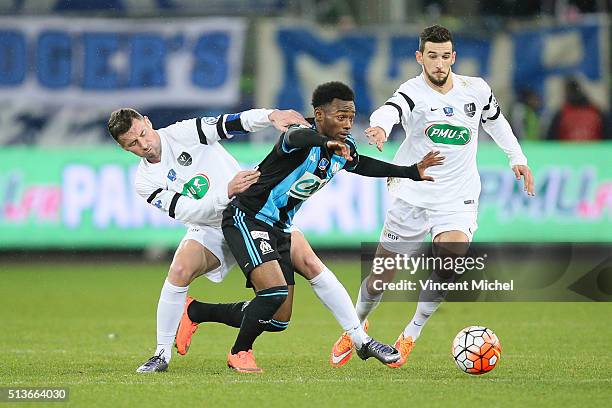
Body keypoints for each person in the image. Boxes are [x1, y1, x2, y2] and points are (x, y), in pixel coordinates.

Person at [107, 107, 399, 374]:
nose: (143, 145)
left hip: (253, 212)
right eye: (132, 144)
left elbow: (233, 122)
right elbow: (186, 210)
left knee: (282, 312)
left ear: (148, 122)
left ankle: (197, 311)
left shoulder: (183, 133)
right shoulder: (145, 182)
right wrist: (226, 192)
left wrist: (271, 116)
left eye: (142, 134)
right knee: (180, 270)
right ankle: (161, 354)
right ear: (123, 147)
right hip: (209, 229)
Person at [331, 24, 535, 369]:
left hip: (457, 197)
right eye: (432, 56)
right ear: (419, 57)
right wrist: (381, 126)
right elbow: (391, 110)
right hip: (412, 194)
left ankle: (411, 332)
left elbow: (497, 123)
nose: (439, 64)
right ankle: (356, 328)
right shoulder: (412, 92)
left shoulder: (477, 90)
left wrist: (518, 159)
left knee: (450, 259)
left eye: (445, 56)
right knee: (381, 277)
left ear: (453, 57)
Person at [220, 81, 444, 373]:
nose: (348, 123)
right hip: (247, 217)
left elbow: (362, 164)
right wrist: (324, 142)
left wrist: (410, 172)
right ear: (319, 115)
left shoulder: (343, 148)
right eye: (341, 116)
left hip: (281, 227)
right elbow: (298, 138)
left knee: (278, 319)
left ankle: (195, 311)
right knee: (275, 293)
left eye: (351, 117)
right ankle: (240, 352)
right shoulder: (297, 135)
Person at [546, 76, 610, 141]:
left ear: (566, 92)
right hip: (595, 150)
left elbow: (550, 140)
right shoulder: (596, 112)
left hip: (568, 150)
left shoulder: (561, 114)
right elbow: (608, 136)